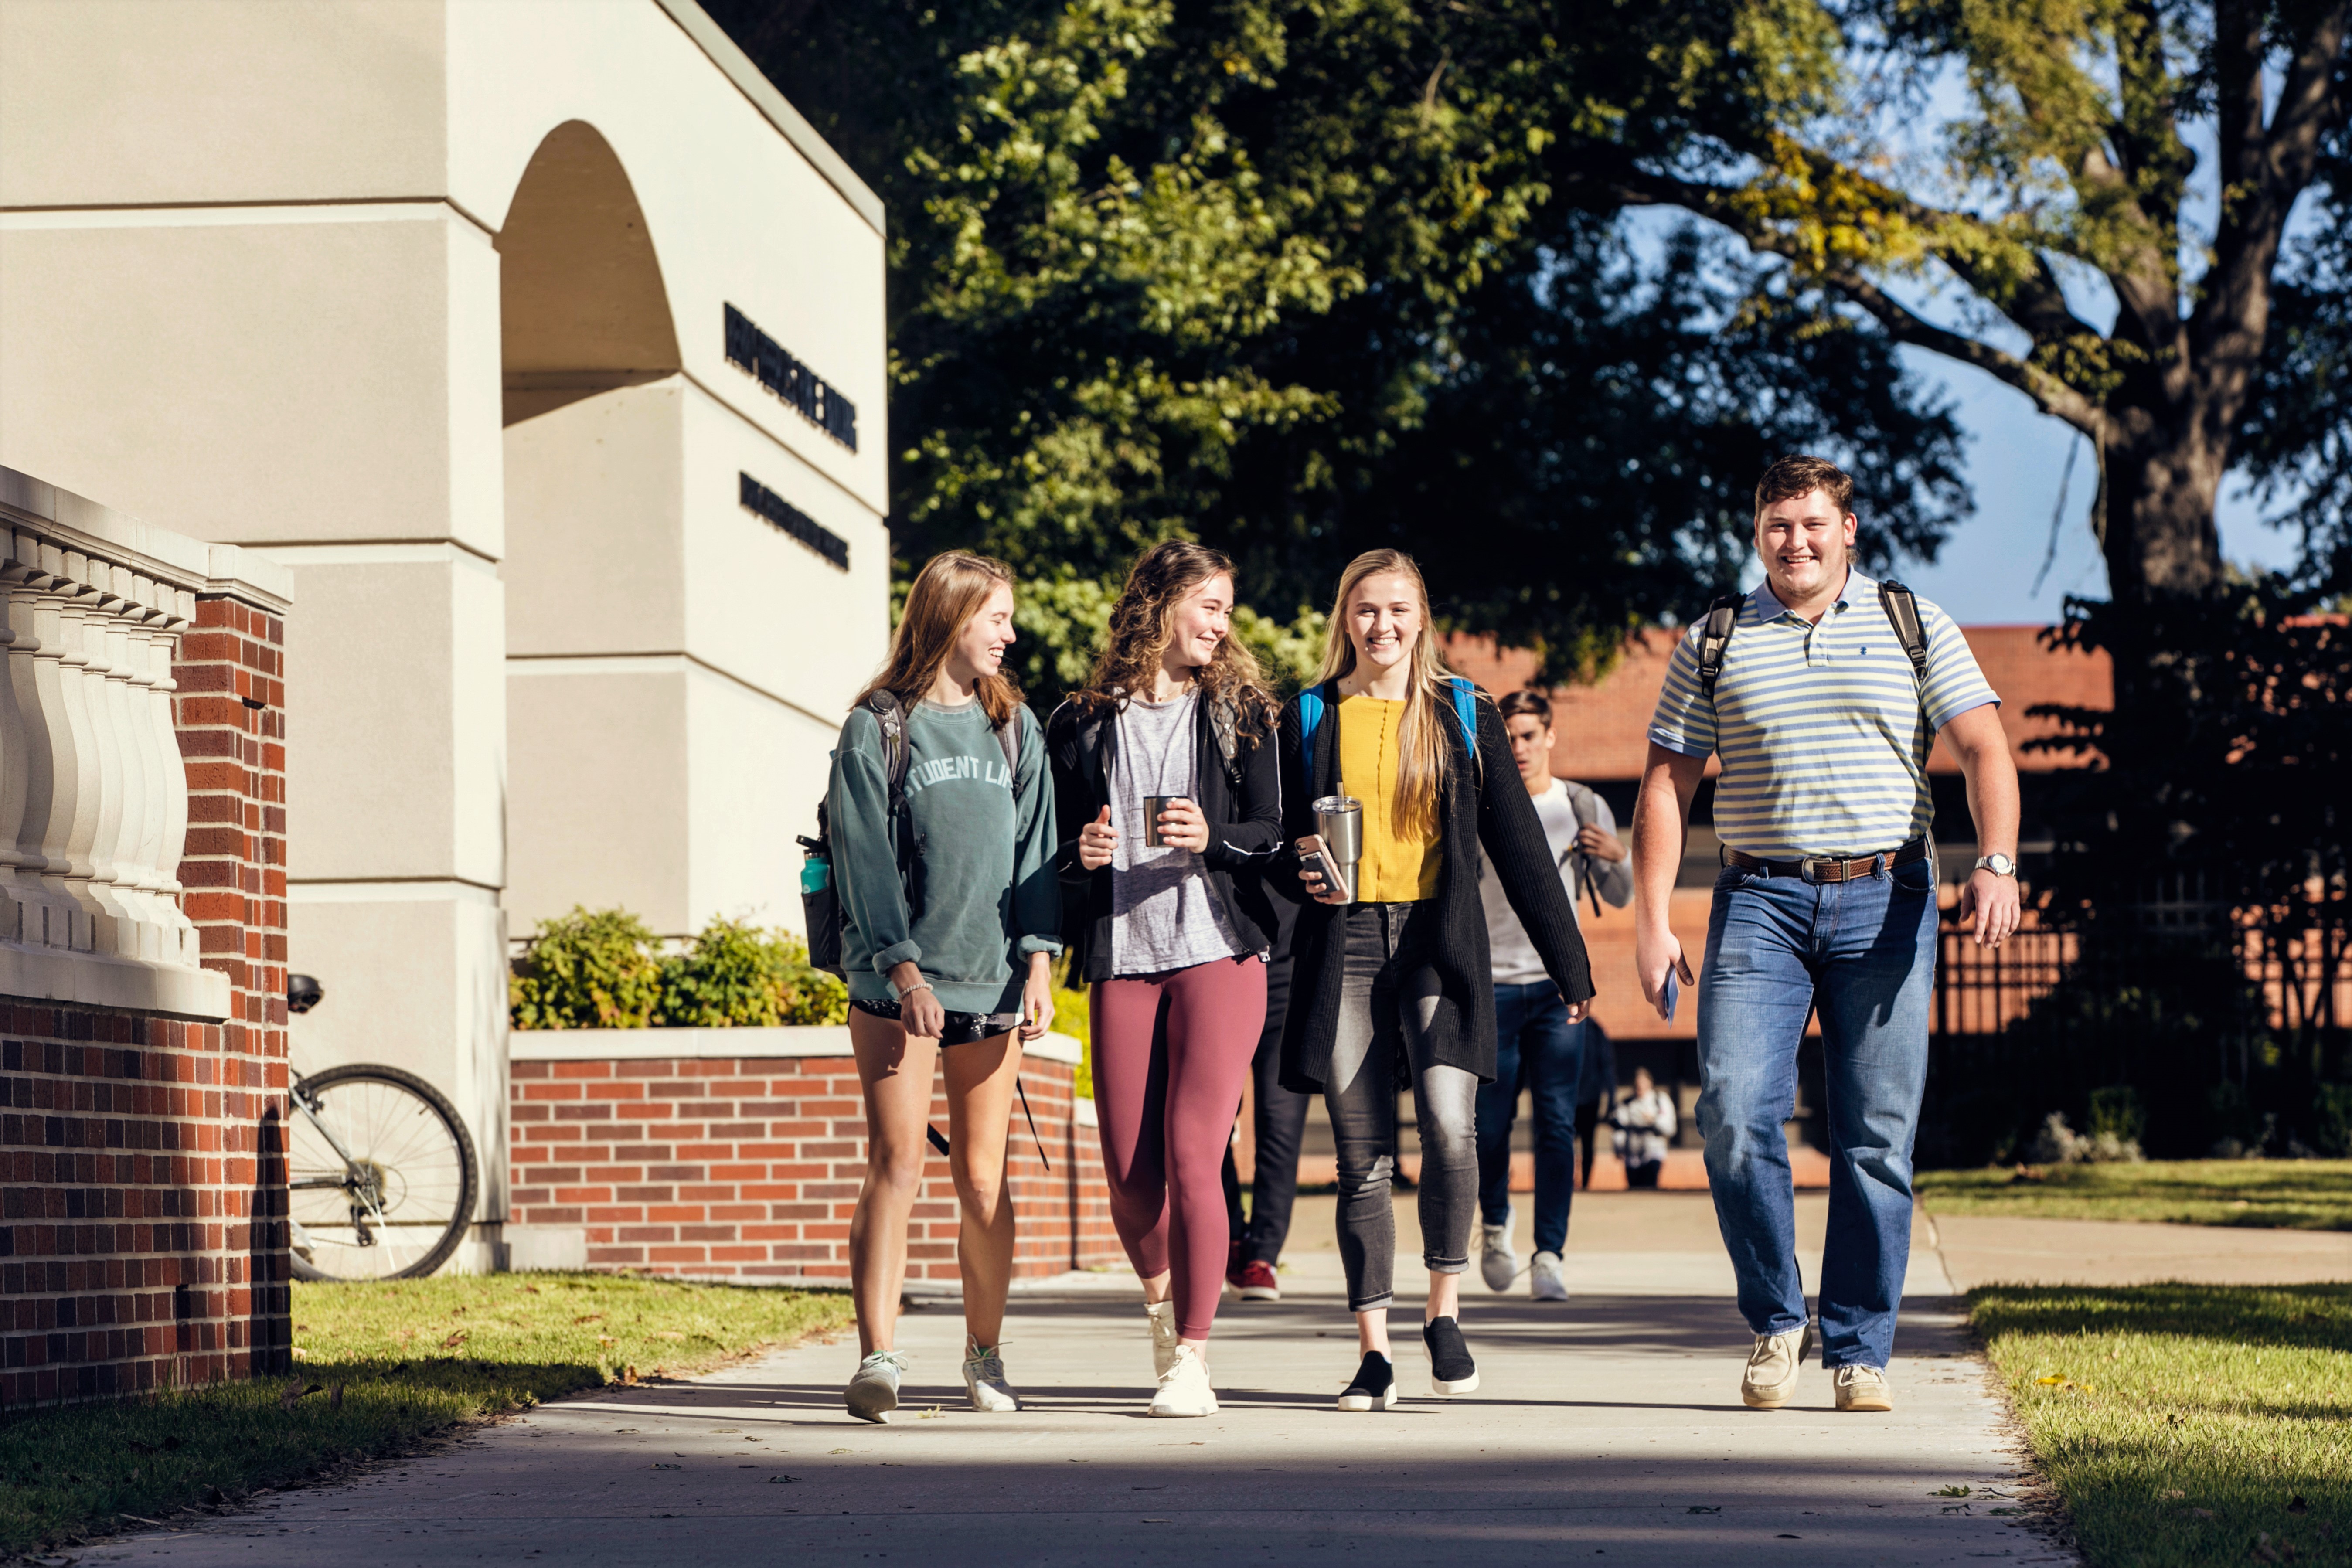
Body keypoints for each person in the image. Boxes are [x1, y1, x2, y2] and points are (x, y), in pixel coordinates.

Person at [1631, 456, 2019, 1415]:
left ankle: (1858, 1346)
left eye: (1812, 523)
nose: (1794, 540)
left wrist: (1999, 860)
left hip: (1889, 894)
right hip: (1758, 900)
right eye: (1776, 524)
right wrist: (1650, 920)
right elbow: (1665, 787)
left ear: (1850, 529)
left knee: (1874, 1132)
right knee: (1729, 1112)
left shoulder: (1913, 622)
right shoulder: (1714, 637)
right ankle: (1775, 1320)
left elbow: (1982, 749)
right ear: (1756, 532)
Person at [1279, 548, 1596, 1412]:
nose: (1381, 627)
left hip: (1436, 942)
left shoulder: (1463, 710)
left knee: (1453, 1130)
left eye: (1397, 611)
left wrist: (1571, 964)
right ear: (1344, 617)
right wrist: (1296, 863)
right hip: (1346, 943)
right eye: (1365, 610)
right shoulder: (1308, 714)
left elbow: (1521, 846)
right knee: (1361, 1156)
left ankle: (1444, 1311)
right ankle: (1373, 1350)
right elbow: (1277, 842)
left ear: (1422, 619)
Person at [1048, 541, 1283, 1418]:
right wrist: (1081, 858)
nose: (1220, 625)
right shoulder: (1078, 724)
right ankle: (1159, 1307)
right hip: (1123, 956)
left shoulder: (1241, 712)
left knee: (1194, 1155)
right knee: (1127, 1170)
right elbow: (1052, 857)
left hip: (1220, 951)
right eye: (1209, 605)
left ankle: (1193, 1355)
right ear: (1159, 604)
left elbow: (1271, 829)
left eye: (1227, 609)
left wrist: (1210, 840)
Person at [829, 551, 1062, 1424]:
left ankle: (985, 1353)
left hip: (992, 982)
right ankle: (878, 1358)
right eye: (997, 616)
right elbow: (863, 857)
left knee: (983, 1180)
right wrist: (902, 964)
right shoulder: (878, 727)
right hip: (899, 985)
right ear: (953, 617)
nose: (1011, 632)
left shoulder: (1014, 728)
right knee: (896, 1165)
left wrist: (1038, 962)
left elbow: (1038, 850)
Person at [1474, 689, 1632, 1301]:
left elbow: (1616, 895)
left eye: (1528, 736)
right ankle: (1494, 1223)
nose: (1517, 748)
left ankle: (1547, 1254)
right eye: (1508, 736)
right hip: (1489, 985)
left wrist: (1617, 856)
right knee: (1488, 1127)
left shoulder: (1579, 803)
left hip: (1554, 992)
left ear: (1550, 737)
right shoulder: (1480, 798)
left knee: (1556, 1124)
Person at [1225, 894, 1310, 1302]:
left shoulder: (1307, 828)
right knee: (1212, 1121)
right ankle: (1229, 1236)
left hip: (1288, 986)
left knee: (1279, 1123)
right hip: (1221, 977)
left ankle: (1263, 1256)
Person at [1610, 1065, 1677, 1188]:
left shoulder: (1660, 1100)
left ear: (1650, 1083)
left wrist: (1653, 1121)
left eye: (1643, 1083)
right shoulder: (1626, 1104)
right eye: (1637, 1084)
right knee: (1634, 1191)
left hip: (1653, 1152)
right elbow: (1619, 1128)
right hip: (1632, 1156)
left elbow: (1670, 1128)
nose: (1640, 1086)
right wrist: (1619, 1148)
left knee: (1650, 1188)